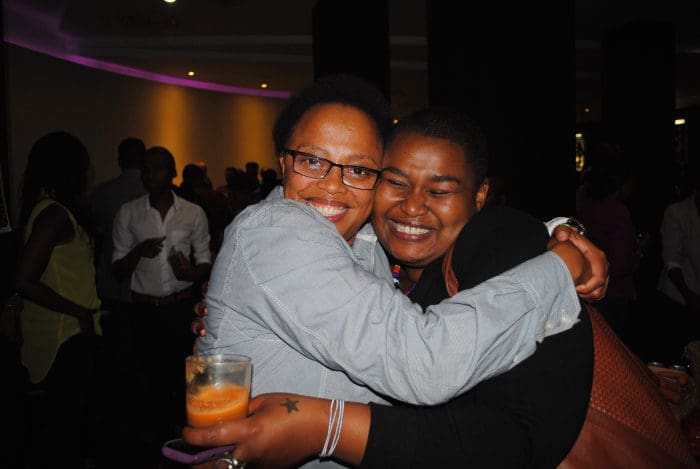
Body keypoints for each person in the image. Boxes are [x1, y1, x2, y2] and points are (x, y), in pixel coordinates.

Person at [193, 75, 606, 466]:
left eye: (358, 169)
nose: (333, 185)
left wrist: (554, 231)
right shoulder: (279, 230)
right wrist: (561, 266)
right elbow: (425, 364)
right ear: (283, 162)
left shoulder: (362, 239)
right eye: (313, 161)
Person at [111, 145, 212, 464]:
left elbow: (206, 261)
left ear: (172, 173)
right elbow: (117, 268)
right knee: (144, 381)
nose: (149, 175)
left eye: (156, 168)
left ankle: (182, 444)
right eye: (145, 169)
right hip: (142, 311)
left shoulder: (193, 212)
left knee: (182, 382)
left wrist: (190, 273)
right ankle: (150, 449)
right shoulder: (129, 212)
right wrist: (138, 252)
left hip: (179, 309)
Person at [14, 131, 103, 468]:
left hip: (59, 330)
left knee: (60, 427)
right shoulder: (55, 214)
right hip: (65, 334)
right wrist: (79, 312)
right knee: (65, 431)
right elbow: (24, 279)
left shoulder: (45, 209)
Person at [88, 136, 147, 465]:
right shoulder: (144, 195)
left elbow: (97, 236)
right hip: (139, 292)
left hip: (114, 289)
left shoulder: (103, 193)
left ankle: (125, 425)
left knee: (121, 361)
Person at [655, 156, 700, 365]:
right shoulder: (678, 213)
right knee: (678, 356)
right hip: (678, 298)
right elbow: (672, 261)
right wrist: (690, 297)